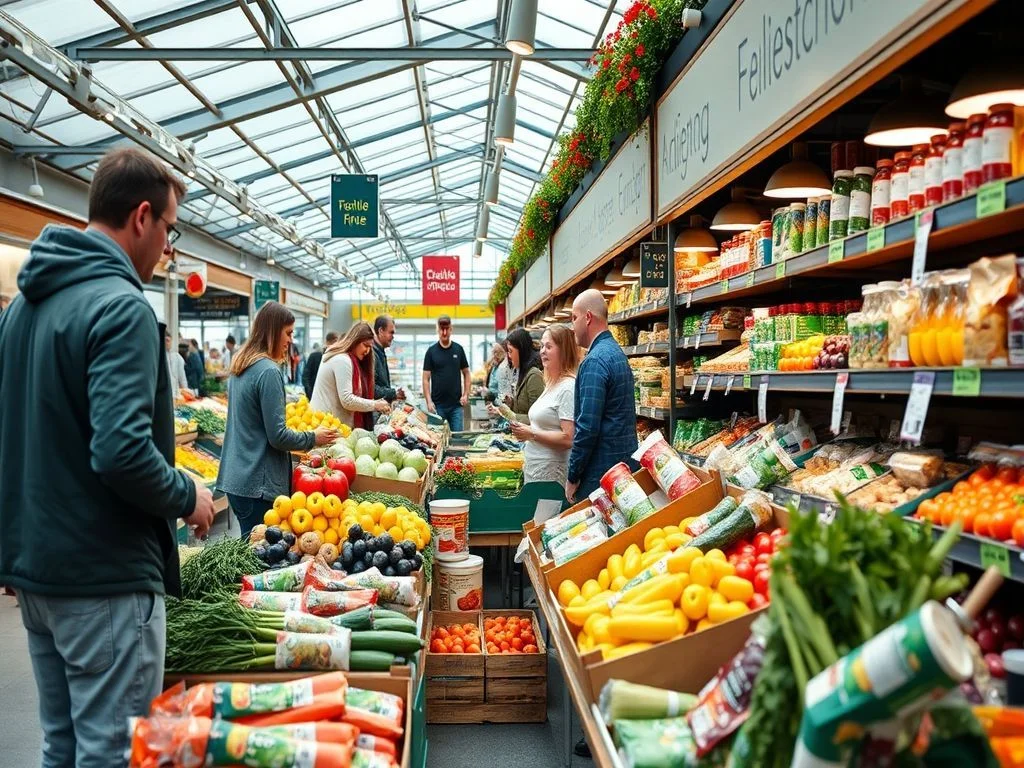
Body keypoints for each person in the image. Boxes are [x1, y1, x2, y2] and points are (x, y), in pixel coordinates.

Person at [0, 147, 216, 766]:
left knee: (62, 745)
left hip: (39, 573)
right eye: (171, 231)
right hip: (104, 578)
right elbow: (120, 451)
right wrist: (186, 494)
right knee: (115, 751)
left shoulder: (21, 311)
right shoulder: (121, 308)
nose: (169, 249)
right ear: (142, 217)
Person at [218, 301, 337, 537]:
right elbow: (278, 436)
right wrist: (314, 437)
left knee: (246, 551)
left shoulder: (241, 366)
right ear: (273, 331)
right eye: (288, 333)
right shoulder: (268, 371)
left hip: (237, 478)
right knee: (259, 560)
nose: (291, 340)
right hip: (257, 483)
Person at [566, 289, 639, 504]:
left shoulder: (594, 361)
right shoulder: (615, 353)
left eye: (574, 318)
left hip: (601, 475)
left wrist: (573, 475)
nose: (573, 326)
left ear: (588, 318)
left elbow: (587, 427)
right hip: (623, 470)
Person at [508, 326, 579, 485]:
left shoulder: (567, 387)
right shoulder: (550, 384)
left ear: (564, 351)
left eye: (549, 346)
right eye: (541, 346)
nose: (542, 351)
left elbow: (569, 438)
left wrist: (531, 433)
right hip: (538, 472)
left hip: (551, 475)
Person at [311, 321, 391, 429]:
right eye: (365, 345)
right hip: (327, 426)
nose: (367, 351)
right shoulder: (342, 360)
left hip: (329, 423)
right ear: (355, 341)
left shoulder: (341, 356)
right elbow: (347, 400)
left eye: (370, 347)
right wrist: (375, 404)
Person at [422, 314, 471, 430]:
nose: (444, 333)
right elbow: (425, 379)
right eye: (441, 329)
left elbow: (467, 373)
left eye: (447, 329)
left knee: (457, 440)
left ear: (451, 329)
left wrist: (466, 394)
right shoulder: (431, 352)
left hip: (456, 407)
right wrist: (428, 401)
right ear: (437, 330)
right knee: (437, 441)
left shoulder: (458, 349)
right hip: (437, 407)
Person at [490, 328, 544, 422]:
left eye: (511, 351)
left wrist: (511, 415)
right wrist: (510, 403)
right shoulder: (522, 373)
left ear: (521, 350)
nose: (509, 357)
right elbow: (523, 408)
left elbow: (538, 420)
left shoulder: (534, 376)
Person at [373, 314, 405, 403]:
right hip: (375, 410)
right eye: (391, 332)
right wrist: (393, 393)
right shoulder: (372, 354)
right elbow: (372, 389)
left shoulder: (380, 352)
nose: (393, 336)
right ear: (380, 331)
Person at [303, 331, 336, 399]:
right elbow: (305, 376)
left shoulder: (336, 358)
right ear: (327, 342)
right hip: (314, 393)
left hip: (327, 396)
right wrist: (310, 392)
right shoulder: (315, 356)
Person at [166, 328, 190, 394]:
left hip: (175, 395)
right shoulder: (155, 357)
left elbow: (182, 379)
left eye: (169, 341)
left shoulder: (177, 357)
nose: (168, 343)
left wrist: (186, 392)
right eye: (166, 340)